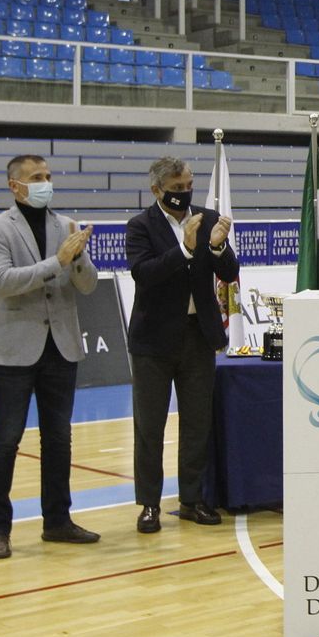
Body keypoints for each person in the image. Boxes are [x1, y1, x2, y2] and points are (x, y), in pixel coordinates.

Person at [0, 154, 100, 560]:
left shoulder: (65, 226)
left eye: (48, 176)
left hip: (60, 348)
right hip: (12, 352)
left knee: (59, 439)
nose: (45, 183)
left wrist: (79, 256)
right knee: (5, 441)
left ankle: (58, 521)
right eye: (36, 177)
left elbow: (87, 286)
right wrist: (58, 261)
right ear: (15, 186)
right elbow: (1, 282)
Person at [125, 157, 241, 532]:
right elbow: (145, 273)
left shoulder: (208, 218)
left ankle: (192, 499)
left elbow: (230, 273)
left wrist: (219, 248)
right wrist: (187, 250)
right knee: (150, 427)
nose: (184, 193)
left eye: (188, 185)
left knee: (197, 423)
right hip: (153, 340)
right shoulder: (140, 226)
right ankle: (149, 505)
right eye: (176, 188)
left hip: (198, 334)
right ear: (157, 190)